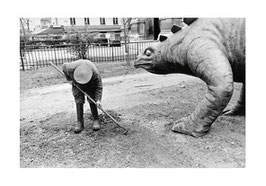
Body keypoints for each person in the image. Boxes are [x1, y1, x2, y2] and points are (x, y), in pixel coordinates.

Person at [62, 59, 103, 133]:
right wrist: (69, 79)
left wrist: (98, 100)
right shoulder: (70, 68)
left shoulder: (95, 74)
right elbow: (64, 67)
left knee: (92, 99)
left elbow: (98, 87)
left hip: (90, 84)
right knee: (79, 100)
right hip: (76, 83)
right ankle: (79, 122)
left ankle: (96, 119)